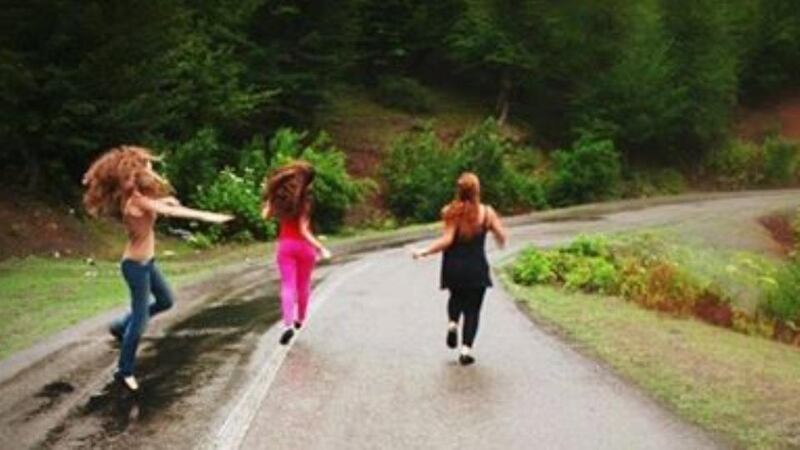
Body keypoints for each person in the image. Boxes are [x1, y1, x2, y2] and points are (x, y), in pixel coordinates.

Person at [82, 146, 233, 392]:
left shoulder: (138, 199)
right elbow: (170, 211)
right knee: (140, 320)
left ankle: (120, 327)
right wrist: (209, 217)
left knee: (165, 300)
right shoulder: (137, 202)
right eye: (146, 168)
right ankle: (125, 370)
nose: (151, 171)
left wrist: (164, 200)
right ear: (135, 177)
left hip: (147, 263)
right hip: (135, 267)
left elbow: (158, 205)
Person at [412, 172, 508, 365]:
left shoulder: (450, 212)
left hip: (453, 266)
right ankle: (465, 350)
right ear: (477, 190)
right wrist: (499, 238)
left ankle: (453, 323)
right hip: (476, 268)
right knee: (473, 310)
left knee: (455, 297)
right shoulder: (487, 213)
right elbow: (502, 236)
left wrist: (425, 251)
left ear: (459, 190)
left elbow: (447, 240)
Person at [262, 161, 331, 345]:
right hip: (304, 249)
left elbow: (265, 216)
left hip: (286, 247)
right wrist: (320, 247)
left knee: (287, 286)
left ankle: (287, 325)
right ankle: (300, 320)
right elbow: (303, 229)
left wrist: (270, 200)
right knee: (303, 285)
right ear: (310, 182)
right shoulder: (306, 199)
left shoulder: (281, 197)